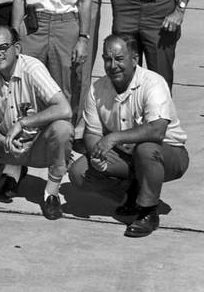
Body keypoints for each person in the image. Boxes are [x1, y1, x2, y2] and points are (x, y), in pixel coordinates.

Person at [69, 34, 189, 238]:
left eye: (119, 58)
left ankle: (148, 212)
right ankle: (131, 195)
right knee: (79, 172)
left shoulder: (153, 83)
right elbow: (92, 132)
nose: (112, 65)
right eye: (107, 59)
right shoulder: (97, 89)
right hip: (126, 155)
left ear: (134, 59)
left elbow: (157, 130)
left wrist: (113, 138)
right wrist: (96, 153)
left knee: (146, 149)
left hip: (167, 154)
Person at [0, 26, 74, 220]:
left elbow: (64, 109)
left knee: (63, 129)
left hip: (38, 144)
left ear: (16, 48)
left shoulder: (32, 68)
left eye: (3, 47)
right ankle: (9, 174)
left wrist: (23, 122)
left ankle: (51, 193)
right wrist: (4, 141)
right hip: (8, 143)